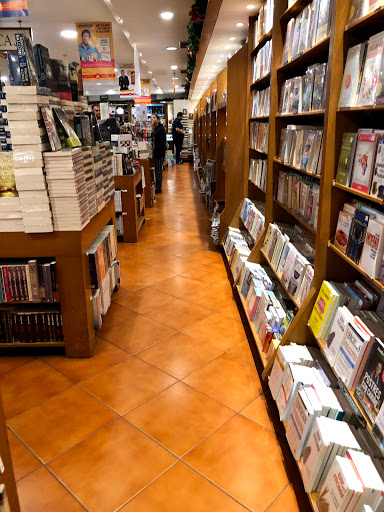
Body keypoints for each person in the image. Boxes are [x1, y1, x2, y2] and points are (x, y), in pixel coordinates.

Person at [151, 114, 166, 194]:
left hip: (159, 153)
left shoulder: (161, 130)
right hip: (157, 152)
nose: (152, 119)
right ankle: (158, 186)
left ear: (158, 120)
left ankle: (159, 187)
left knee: (158, 170)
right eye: (151, 118)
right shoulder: (156, 129)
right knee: (157, 170)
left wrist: (156, 151)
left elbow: (161, 143)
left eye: (154, 118)